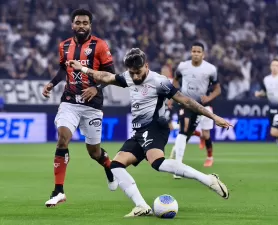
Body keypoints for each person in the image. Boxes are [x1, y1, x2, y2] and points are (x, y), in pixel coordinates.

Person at [68, 48, 231, 217]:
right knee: (116, 165)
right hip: (139, 131)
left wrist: (213, 116)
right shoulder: (129, 77)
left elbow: (187, 101)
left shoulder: (159, 81)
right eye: (132, 73)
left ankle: (208, 180)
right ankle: (141, 206)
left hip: (155, 126)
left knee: (157, 163)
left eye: (138, 72)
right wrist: (84, 69)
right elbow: (106, 77)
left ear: (146, 66)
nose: (136, 77)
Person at [42, 9, 118, 207]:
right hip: (69, 101)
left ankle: (109, 166)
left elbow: (111, 74)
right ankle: (59, 191)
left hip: (92, 105)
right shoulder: (64, 45)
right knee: (62, 138)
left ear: (90, 25)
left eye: (85, 22)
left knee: (94, 152)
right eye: (78, 22)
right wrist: (52, 83)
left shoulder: (100, 45)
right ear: (72, 25)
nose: (81, 26)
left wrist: (96, 87)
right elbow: (63, 68)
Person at [169, 42, 221, 173]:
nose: (196, 54)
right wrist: (173, 95)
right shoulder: (182, 66)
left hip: (201, 106)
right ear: (191, 52)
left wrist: (209, 98)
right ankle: (178, 165)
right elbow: (175, 80)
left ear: (203, 55)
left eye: (198, 52)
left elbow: (217, 89)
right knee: (184, 128)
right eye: (194, 51)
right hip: (185, 102)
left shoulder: (211, 69)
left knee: (200, 133)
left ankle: (209, 156)